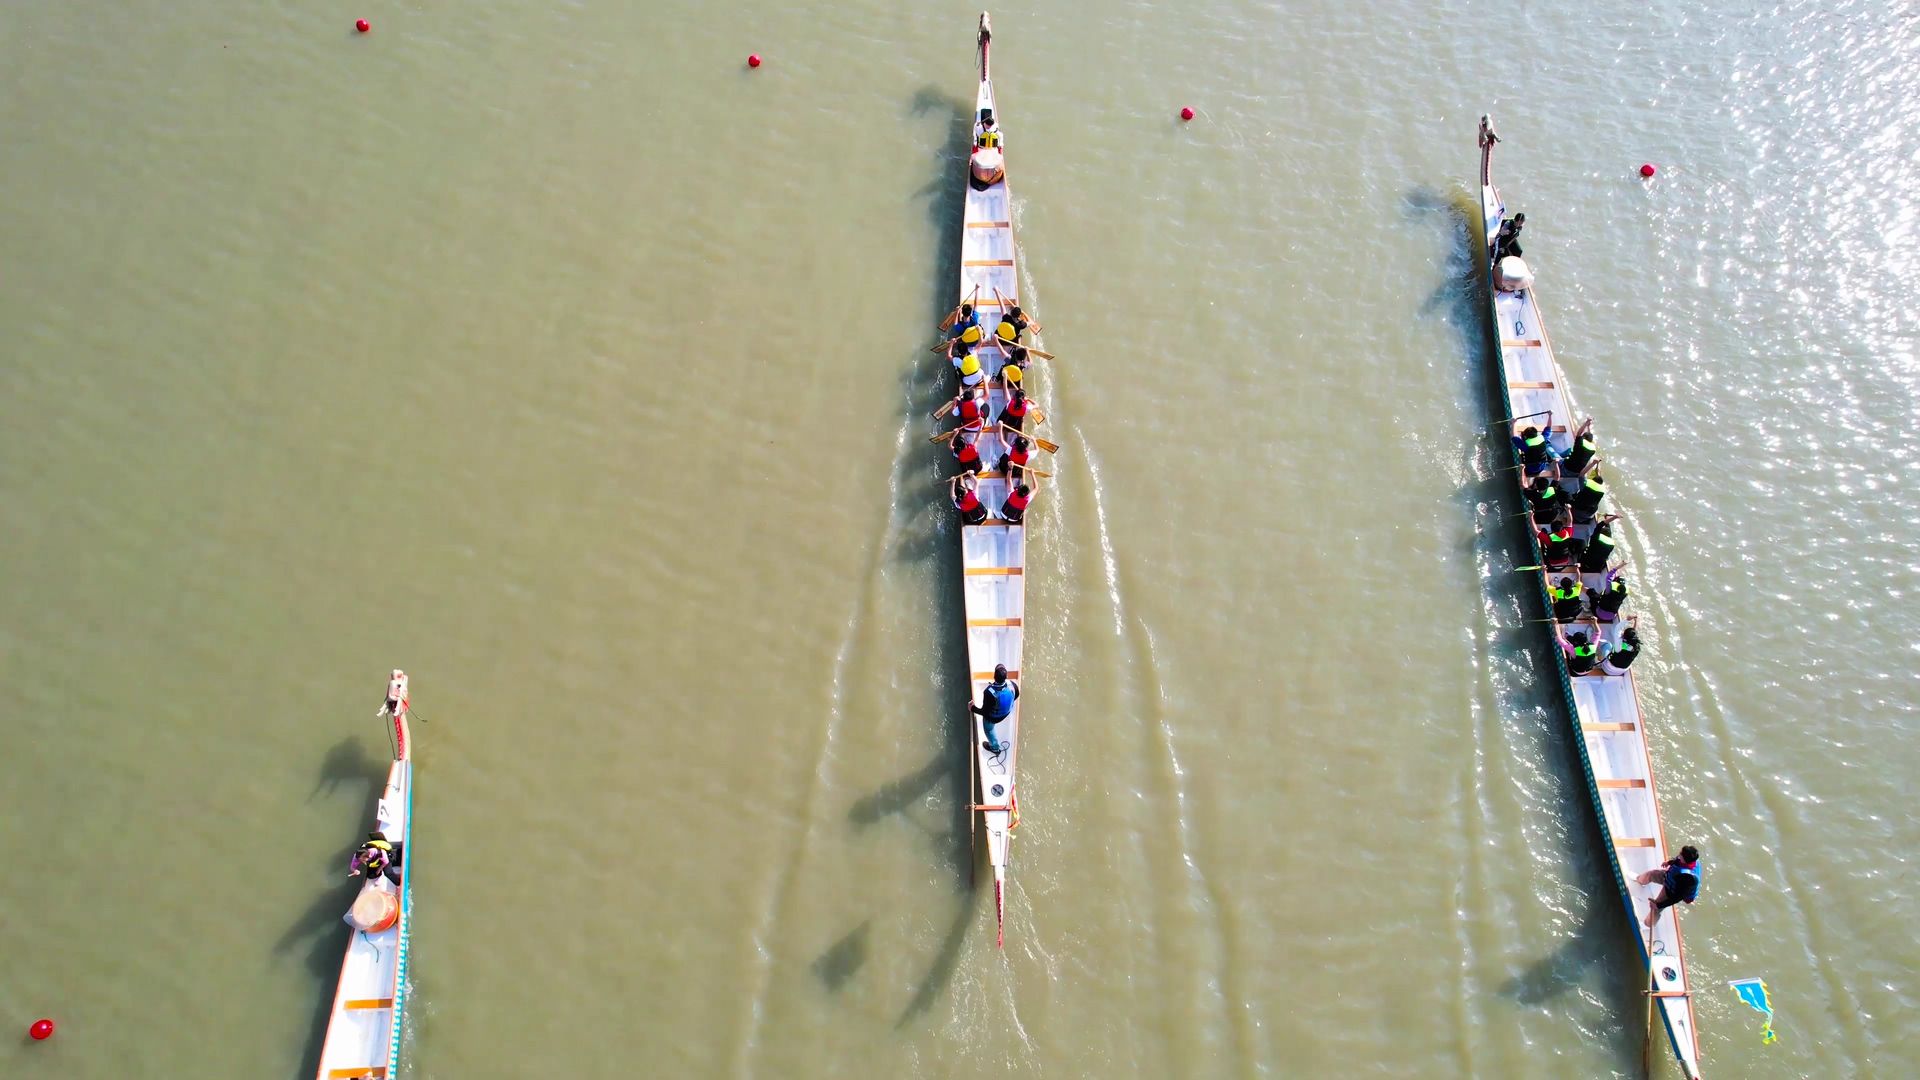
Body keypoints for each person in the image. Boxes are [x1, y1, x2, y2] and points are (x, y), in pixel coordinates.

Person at [1638, 845, 1701, 926]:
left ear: (1686, 860)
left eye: (1681, 855)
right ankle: (1639, 880)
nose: (1679, 855)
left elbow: (1676, 898)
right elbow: (1678, 861)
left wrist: (1658, 905)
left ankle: (1647, 925)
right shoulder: (1685, 860)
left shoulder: (1687, 879)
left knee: (1656, 909)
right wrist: (1668, 862)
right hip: (1670, 877)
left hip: (1671, 891)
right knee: (1652, 874)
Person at [970, 663, 1019, 755]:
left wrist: (972, 708)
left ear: (994, 676)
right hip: (1006, 713)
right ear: (1006, 677)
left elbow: (984, 712)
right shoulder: (1013, 685)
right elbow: (1016, 696)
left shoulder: (989, 692)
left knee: (989, 730)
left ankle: (995, 748)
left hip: (993, 718)